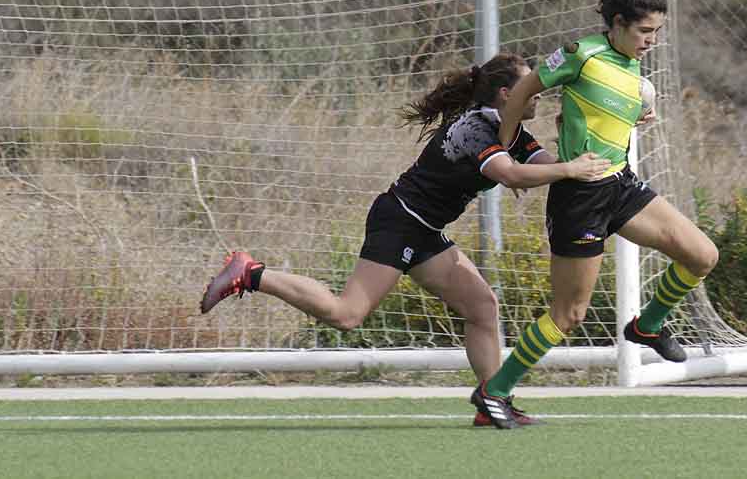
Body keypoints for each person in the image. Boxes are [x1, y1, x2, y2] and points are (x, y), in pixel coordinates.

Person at [198, 52, 610, 428]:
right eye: (530, 88)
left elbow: (548, 166)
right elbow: (515, 175)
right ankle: (251, 273)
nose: (538, 93)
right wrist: (569, 170)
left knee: (482, 307)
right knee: (347, 314)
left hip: (425, 230)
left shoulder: (512, 130)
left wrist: (593, 135)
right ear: (507, 94)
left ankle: (492, 402)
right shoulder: (475, 127)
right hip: (400, 222)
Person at [476, 0, 720, 429]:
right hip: (579, 197)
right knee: (568, 314)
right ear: (618, 25)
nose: (652, 40)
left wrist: (633, 118)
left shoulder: (631, 67)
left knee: (702, 255)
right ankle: (495, 392)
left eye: (657, 32)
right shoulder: (580, 54)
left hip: (620, 185)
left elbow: (601, 112)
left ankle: (647, 325)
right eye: (645, 31)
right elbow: (526, 87)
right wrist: (506, 147)